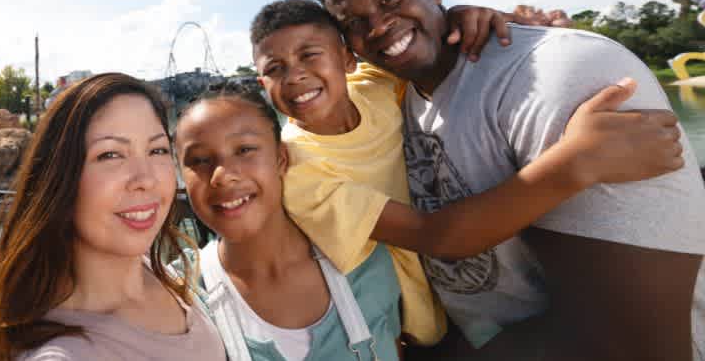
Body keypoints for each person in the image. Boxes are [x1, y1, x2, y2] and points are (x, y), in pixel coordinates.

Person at [315, 0, 705, 360]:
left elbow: (634, 346)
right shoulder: (387, 92)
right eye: (355, 23)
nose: (378, 26)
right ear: (349, 49)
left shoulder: (556, 81)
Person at [174, 80, 682, 361]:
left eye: (246, 150)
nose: (222, 175)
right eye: (197, 160)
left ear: (282, 160)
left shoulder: (363, 261)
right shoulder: (182, 299)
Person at [0, 73, 225, 361]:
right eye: (110, 155)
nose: (146, 178)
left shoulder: (159, 273)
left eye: (157, 149)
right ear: (61, 179)